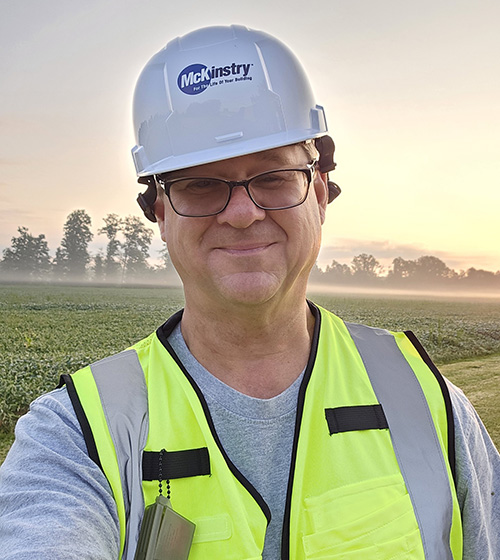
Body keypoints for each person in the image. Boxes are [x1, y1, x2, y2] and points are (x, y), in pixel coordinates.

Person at [0, 24, 499, 560]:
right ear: (162, 215)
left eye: (273, 177)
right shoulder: (78, 433)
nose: (243, 213)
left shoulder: (427, 399)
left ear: (321, 195)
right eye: (201, 184)